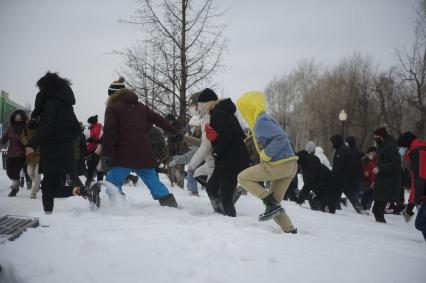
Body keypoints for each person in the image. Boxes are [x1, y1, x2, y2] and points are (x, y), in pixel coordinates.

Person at [25, 72, 95, 214]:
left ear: (46, 88)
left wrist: (32, 144)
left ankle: (49, 214)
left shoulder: (51, 104)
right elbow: (76, 129)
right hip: (65, 150)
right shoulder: (67, 106)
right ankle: (77, 191)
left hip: (52, 151)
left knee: (48, 187)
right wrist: (65, 140)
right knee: (50, 186)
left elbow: (46, 127)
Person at [101, 87, 181, 207]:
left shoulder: (113, 108)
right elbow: (158, 118)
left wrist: (106, 154)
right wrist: (174, 132)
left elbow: (109, 132)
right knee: (153, 181)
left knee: (112, 181)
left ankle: (118, 205)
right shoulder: (141, 107)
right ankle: (169, 204)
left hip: (124, 154)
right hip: (143, 152)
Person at [236, 91, 298, 233]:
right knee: (274, 205)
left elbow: (280, 138)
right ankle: (290, 230)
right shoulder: (265, 119)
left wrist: (265, 155)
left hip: (280, 164)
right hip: (289, 166)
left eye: (243, 109)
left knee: (242, 177)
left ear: (249, 107)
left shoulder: (261, 121)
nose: (243, 113)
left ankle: (270, 203)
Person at [200, 88, 250, 217]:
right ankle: (220, 214)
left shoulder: (217, 113)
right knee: (211, 187)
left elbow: (226, 136)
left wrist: (216, 152)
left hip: (230, 159)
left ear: (206, 103)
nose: (200, 108)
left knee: (225, 197)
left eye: (201, 104)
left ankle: (230, 222)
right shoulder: (225, 112)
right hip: (231, 158)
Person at [397, 131, 426, 241]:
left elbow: (419, 180)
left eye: (401, 147)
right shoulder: (420, 149)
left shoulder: (418, 152)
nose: (401, 151)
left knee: (421, 223)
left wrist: (410, 206)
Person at [371, 127, 401, 223]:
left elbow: (395, 164)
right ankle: (380, 228)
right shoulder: (381, 146)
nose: (375, 138)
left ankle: (382, 230)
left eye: (376, 136)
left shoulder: (390, 146)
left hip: (388, 182)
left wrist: (380, 168)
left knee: (378, 211)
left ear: (381, 136)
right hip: (381, 181)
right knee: (376, 210)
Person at [330, 134, 365, 214]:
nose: (332, 144)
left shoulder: (341, 150)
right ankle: (358, 208)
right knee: (348, 193)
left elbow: (339, 165)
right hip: (346, 178)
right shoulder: (343, 149)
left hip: (343, 178)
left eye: (332, 142)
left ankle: (333, 207)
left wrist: (333, 175)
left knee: (337, 192)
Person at [169, 116, 201, 196]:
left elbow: (192, 155)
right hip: (205, 161)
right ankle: (192, 191)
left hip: (211, 162)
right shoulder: (196, 136)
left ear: (199, 126)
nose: (192, 129)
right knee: (191, 171)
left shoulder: (203, 138)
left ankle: (194, 193)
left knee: (191, 170)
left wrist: (179, 159)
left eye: (193, 127)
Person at [1, 110, 28, 197]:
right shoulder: (10, 127)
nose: (17, 117)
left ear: (22, 117)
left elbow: (29, 139)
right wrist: (1, 144)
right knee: (9, 172)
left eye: (19, 116)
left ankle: (14, 189)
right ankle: (16, 182)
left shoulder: (25, 127)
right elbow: (4, 138)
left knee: (16, 172)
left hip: (21, 154)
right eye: (16, 116)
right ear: (14, 117)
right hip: (11, 153)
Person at [20, 117, 41, 199]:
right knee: (29, 172)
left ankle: (33, 192)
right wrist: (27, 144)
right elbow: (22, 137)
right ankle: (37, 184)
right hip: (30, 153)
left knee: (37, 173)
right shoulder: (26, 127)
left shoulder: (41, 126)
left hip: (39, 153)